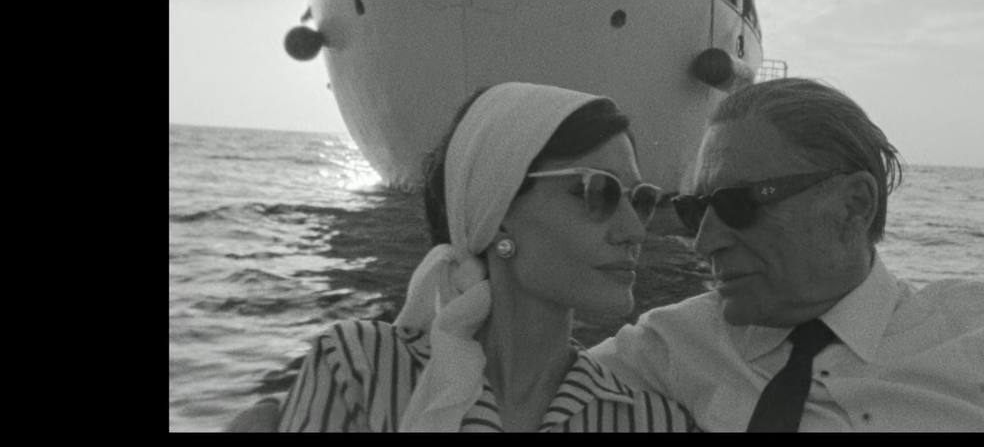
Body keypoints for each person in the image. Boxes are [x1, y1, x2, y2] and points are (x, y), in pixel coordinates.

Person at [227, 77, 984, 431]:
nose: (697, 239)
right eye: (688, 209)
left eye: (737, 205)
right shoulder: (659, 360)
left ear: (853, 206)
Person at [587, 77, 984, 431]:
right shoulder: (670, 347)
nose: (705, 241)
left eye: (738, 203)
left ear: (853, 205)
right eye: (696, 209)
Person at [262, 82, 698, 432]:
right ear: (498, 213)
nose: (635, 230)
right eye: (598, 191)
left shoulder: (654, 421)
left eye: (640, 199)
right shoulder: (359, 368)